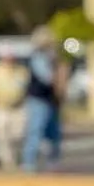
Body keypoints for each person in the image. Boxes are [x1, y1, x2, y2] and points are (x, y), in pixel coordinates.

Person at [21, 27, 64, 172]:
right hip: (38, 99)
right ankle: (29, 163)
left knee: (54, 133)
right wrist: (58, 76)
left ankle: (53, 162)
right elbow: (46, 78)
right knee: (35, 130)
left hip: (50, 100)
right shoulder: (38, 57)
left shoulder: (52, 56)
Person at [0, 44, 32, 169]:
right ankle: (7, 162)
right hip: (1, 107)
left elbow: (27, 89)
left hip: (18, 107)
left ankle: (18, 157)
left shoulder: (22, 70)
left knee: (19, 135)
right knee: (2, 136)